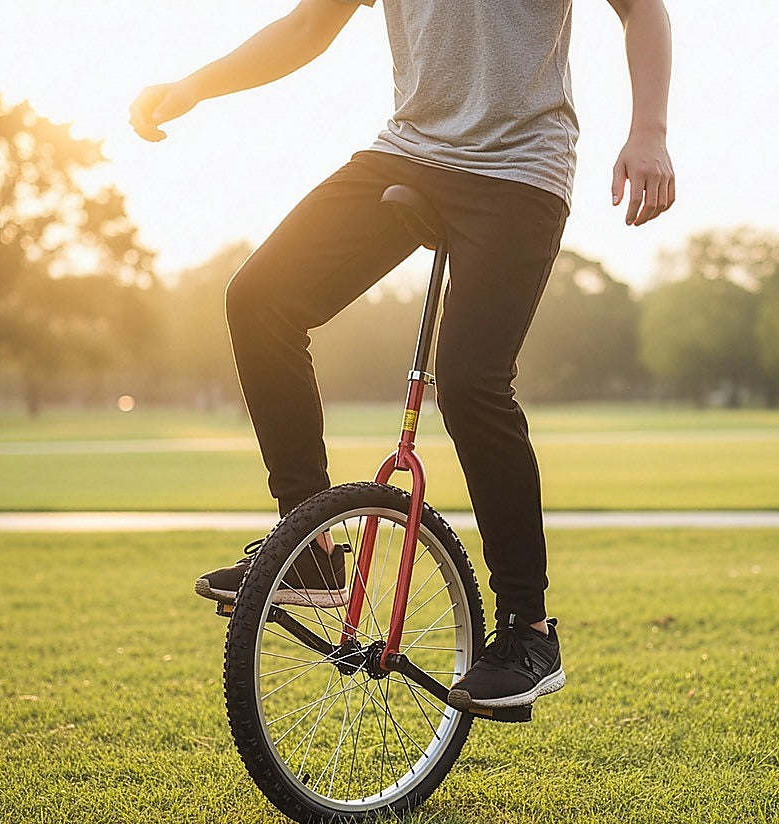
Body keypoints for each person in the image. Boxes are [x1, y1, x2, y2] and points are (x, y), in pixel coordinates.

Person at [130, 0, 675, 711]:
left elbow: (642, 9)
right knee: (260, 299)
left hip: (518, 170)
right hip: (410, 153)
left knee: (471, 382)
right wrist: (193, 87)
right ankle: (311, 549)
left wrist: (649, 131)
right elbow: (307, 26)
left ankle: (527, 630)